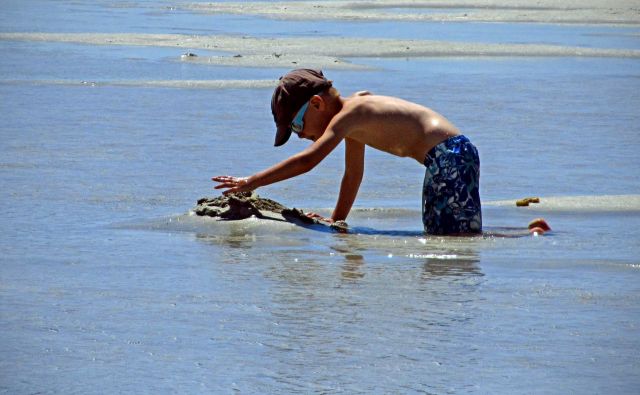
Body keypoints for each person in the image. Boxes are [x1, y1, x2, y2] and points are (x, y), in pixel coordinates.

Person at [212, 69, 482, 235]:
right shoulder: (354, 119)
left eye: (297, 125)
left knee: (457, 239)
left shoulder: (350, 114)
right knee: (442, 233)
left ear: (317, 103)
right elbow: (353, 174)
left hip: (450, 155)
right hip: (445, 159)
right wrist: (337, 221)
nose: (301, 135)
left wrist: (251, 181)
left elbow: (308, 161)